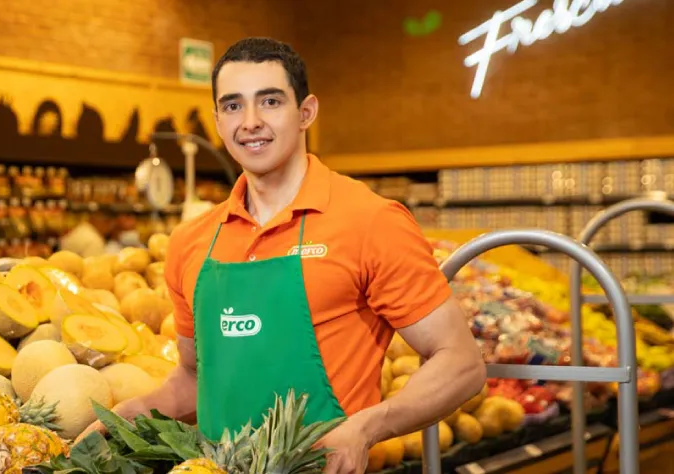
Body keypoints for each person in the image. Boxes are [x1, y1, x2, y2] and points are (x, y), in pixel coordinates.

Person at [77, 37, 487, 473]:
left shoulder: (371, 222)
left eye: (269, 101)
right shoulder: (191, 240)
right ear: (217, 120)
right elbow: (198, 378)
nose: (250, 122)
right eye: (233, 106)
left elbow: (461, 363)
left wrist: (368, 427)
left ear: (306, 112)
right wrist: (135, 413)